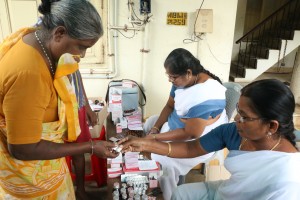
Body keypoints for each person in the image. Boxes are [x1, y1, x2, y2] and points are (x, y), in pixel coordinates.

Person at [0, 0, 118, 199]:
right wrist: (90, 146)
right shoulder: (30, 74)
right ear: (59, 33)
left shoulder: (34, 37)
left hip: (45, 169)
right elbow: (23, 148)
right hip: (30, 181)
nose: (82, 54)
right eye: (81, 46)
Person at [119, 79, 300, 200]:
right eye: (238, 111)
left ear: (271, 126)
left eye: (245, 117)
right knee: (181, 193)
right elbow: (191, 149)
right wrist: (146, 144)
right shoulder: (233, 132)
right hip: (230, 191)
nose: (236, 119)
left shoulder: (288, 176)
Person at [143, 48, 228, 199]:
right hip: (179, 125)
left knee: (162, 160)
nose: (170, 80)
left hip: (196, 139)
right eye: (168, 76)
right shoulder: (182, 80)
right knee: (150, 122)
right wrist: (155, 128)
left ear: (188, 73)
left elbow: (191, 133)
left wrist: (155, 139)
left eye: (173, 77)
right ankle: (149, 170)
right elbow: (170, 106)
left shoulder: (206, 94)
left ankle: (169, 194)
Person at [70, 70, 98, 200]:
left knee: (78, 153)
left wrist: (88, 109)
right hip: (60, 112)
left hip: (78, 109)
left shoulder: (73, 62)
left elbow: (79, 86)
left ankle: (80, 190)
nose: (81, 54)